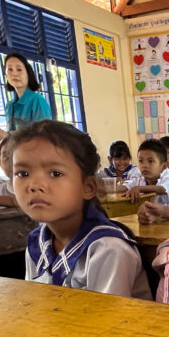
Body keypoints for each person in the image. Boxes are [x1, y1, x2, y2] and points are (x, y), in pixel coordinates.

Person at [13, 120, 151, 298]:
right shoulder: (37, 243)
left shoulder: (108, 249)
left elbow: (108, 315)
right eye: (23, 173)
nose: (34, 185)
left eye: (55, 173)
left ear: (87, 187)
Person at [0, 54, 52, 144]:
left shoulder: (37, 100)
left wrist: (8, 135)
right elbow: (13, 136)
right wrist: (1, 133)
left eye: (19, 69)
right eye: (10, 69)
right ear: (6, 75)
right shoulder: (9, 106)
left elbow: (43, 135)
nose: (14, 74)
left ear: (28, 74)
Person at [122, 139, 169, 205]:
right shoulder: (141, 180)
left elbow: (162, 189)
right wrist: (113, 188)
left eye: (150, 161)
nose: (144, 165)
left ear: (163, 166)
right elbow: (126, 186)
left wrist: (138, 188)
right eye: (141, 161)